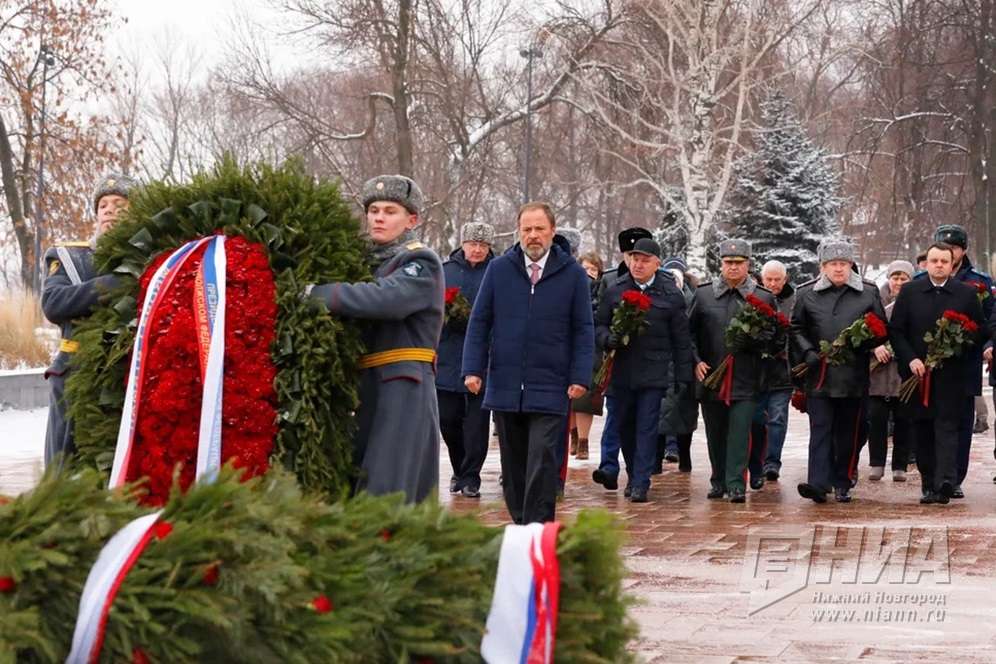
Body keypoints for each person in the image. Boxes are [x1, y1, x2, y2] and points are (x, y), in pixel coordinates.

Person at [306, 174, 444, 503]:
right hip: (366, 386)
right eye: (373, 210)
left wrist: (315, 295)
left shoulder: (419, 261)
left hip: (403, 386)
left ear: (412, 219)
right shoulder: (361, 261)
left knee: (389, 488)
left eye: (390, 211)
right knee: (357, 482)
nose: (379, 217)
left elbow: (385, 299)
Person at [462, 202, 594, 524]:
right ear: (519, 232)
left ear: (552, 230)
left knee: (542, 460)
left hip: (551, 385)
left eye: (539, 229)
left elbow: (583, 328)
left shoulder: (573, 275)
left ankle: (538, 527)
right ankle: (522, 524)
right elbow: (480, 321)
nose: (533, 236)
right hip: (507, 384)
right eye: (527, 229)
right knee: (514, 465)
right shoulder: (499, 270)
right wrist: (472, 368)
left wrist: (580, 375)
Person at [41, 172, 137, 468]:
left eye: (120, 204)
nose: (109, 210)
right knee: (64, 468)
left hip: (125, 374)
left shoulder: (148, 258)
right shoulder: (70, 256)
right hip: (73, 373)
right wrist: (108, 286)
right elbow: (53, 304)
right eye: (104, 205)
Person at [595, 238, 693, 502]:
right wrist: (608, 339)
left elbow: (681, 339)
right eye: (634, 259)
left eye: (644, 260)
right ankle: (624, 470)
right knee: (623, 425)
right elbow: (598, 325)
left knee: (647, 427)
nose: (638, 265)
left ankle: (641, 482)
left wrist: (684, 376)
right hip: (621, 371)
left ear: (657, 263)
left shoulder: (671, 294)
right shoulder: (615, 290)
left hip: (654, 371)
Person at [891, 243, 987, 504]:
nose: (939, 265)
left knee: (947, 427)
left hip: (951, 375)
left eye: (944, 261)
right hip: (918, 375)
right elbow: (896, 331)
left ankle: (946, 481)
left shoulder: (965, 294)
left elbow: (979, 330)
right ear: (926, 263)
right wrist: (911, 359)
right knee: (922, 429)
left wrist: (956, 347)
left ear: (952, 264)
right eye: (934, 260)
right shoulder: (910, 292)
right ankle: (928, 482)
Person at [792, 239, 886, 504]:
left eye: (843, 264)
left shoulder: (867, 292)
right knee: (820, 428)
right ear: (823, 266)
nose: (838, 269)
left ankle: (843, 481)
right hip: (819, 374)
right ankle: (818, 483)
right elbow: (796, 327)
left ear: (851, 265)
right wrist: (808, 352)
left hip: (852, 376)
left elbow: (881, 328)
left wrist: (864, 340)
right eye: (833, 264)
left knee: (848, 432)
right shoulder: (806, 293)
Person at [689, 239, 777, 503]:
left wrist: (754, 341)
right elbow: (688, 333)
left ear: (748, 265)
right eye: (728, 262)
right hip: (711, 375)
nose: (733, 268)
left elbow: (775, 336)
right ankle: (718, 480)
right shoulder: (704, 294)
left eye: (739, 263)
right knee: (715, 432)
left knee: (740, 431)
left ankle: (736, 482)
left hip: (745, 376)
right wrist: (695, 360)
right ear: (721, 264)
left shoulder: (762, 297)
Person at [914, 224, 994, 498]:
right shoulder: (920, 281)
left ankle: (954, 477)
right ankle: (934, 476)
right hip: (928, 366)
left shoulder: (979, 281)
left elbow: (988, 321)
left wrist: (987, 344)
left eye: (956, 248)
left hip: (965, 362)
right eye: (943, 248)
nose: (950, 253)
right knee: (929, 421)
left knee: (960, 422)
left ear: (963, 251)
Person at [436, 222, 496, 498]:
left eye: (483, 245)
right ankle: (460, 468)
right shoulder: (445, 272)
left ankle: (471, 476)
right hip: (449, 355)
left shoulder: (496, 273)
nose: (477, 249)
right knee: (447, 419)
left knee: (477, 424)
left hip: (484, 357)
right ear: (463, 244)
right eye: (473, 244)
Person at [592, 227, 654, 494]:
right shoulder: (609, 282)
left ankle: (636, 475)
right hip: (615, 363)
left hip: (646, 365)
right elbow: (597, 318)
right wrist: (608, 339)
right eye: (629, 254)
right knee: (614, 418)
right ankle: (608, 467)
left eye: (638, 254)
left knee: (636, 425)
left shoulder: (656, 283)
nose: (634, 261)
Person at [747, 260, 796, 484]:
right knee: (756, 419)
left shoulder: (794, 301)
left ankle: (772, 462)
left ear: (785, 279)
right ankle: (756, 462)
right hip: (756, 372)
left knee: (777, 418)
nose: (774, 284)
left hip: (782, 372)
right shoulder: (754, 297)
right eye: (769, 279)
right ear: (762, 279)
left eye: (778, 279)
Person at [866, 260, 914, 482]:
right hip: (877, 373)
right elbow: (864, 331)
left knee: (904, 420)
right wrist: (875, 347)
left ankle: (900, 465)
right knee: (876, 419)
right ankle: (876, 463)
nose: (899, 282)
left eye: (904, 279)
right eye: (895, 278)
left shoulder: (915, 301)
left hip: (903, 373)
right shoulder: (875, 301)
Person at [570, 251, 606, 460]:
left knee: (587, 397)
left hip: (593, 348)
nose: (589, 274)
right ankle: (573, 435)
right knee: (571, 397)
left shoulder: (602, 292)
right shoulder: (571, 288)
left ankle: (583, 441)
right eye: (586, 269)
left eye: (593, 269)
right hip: (570, 346)